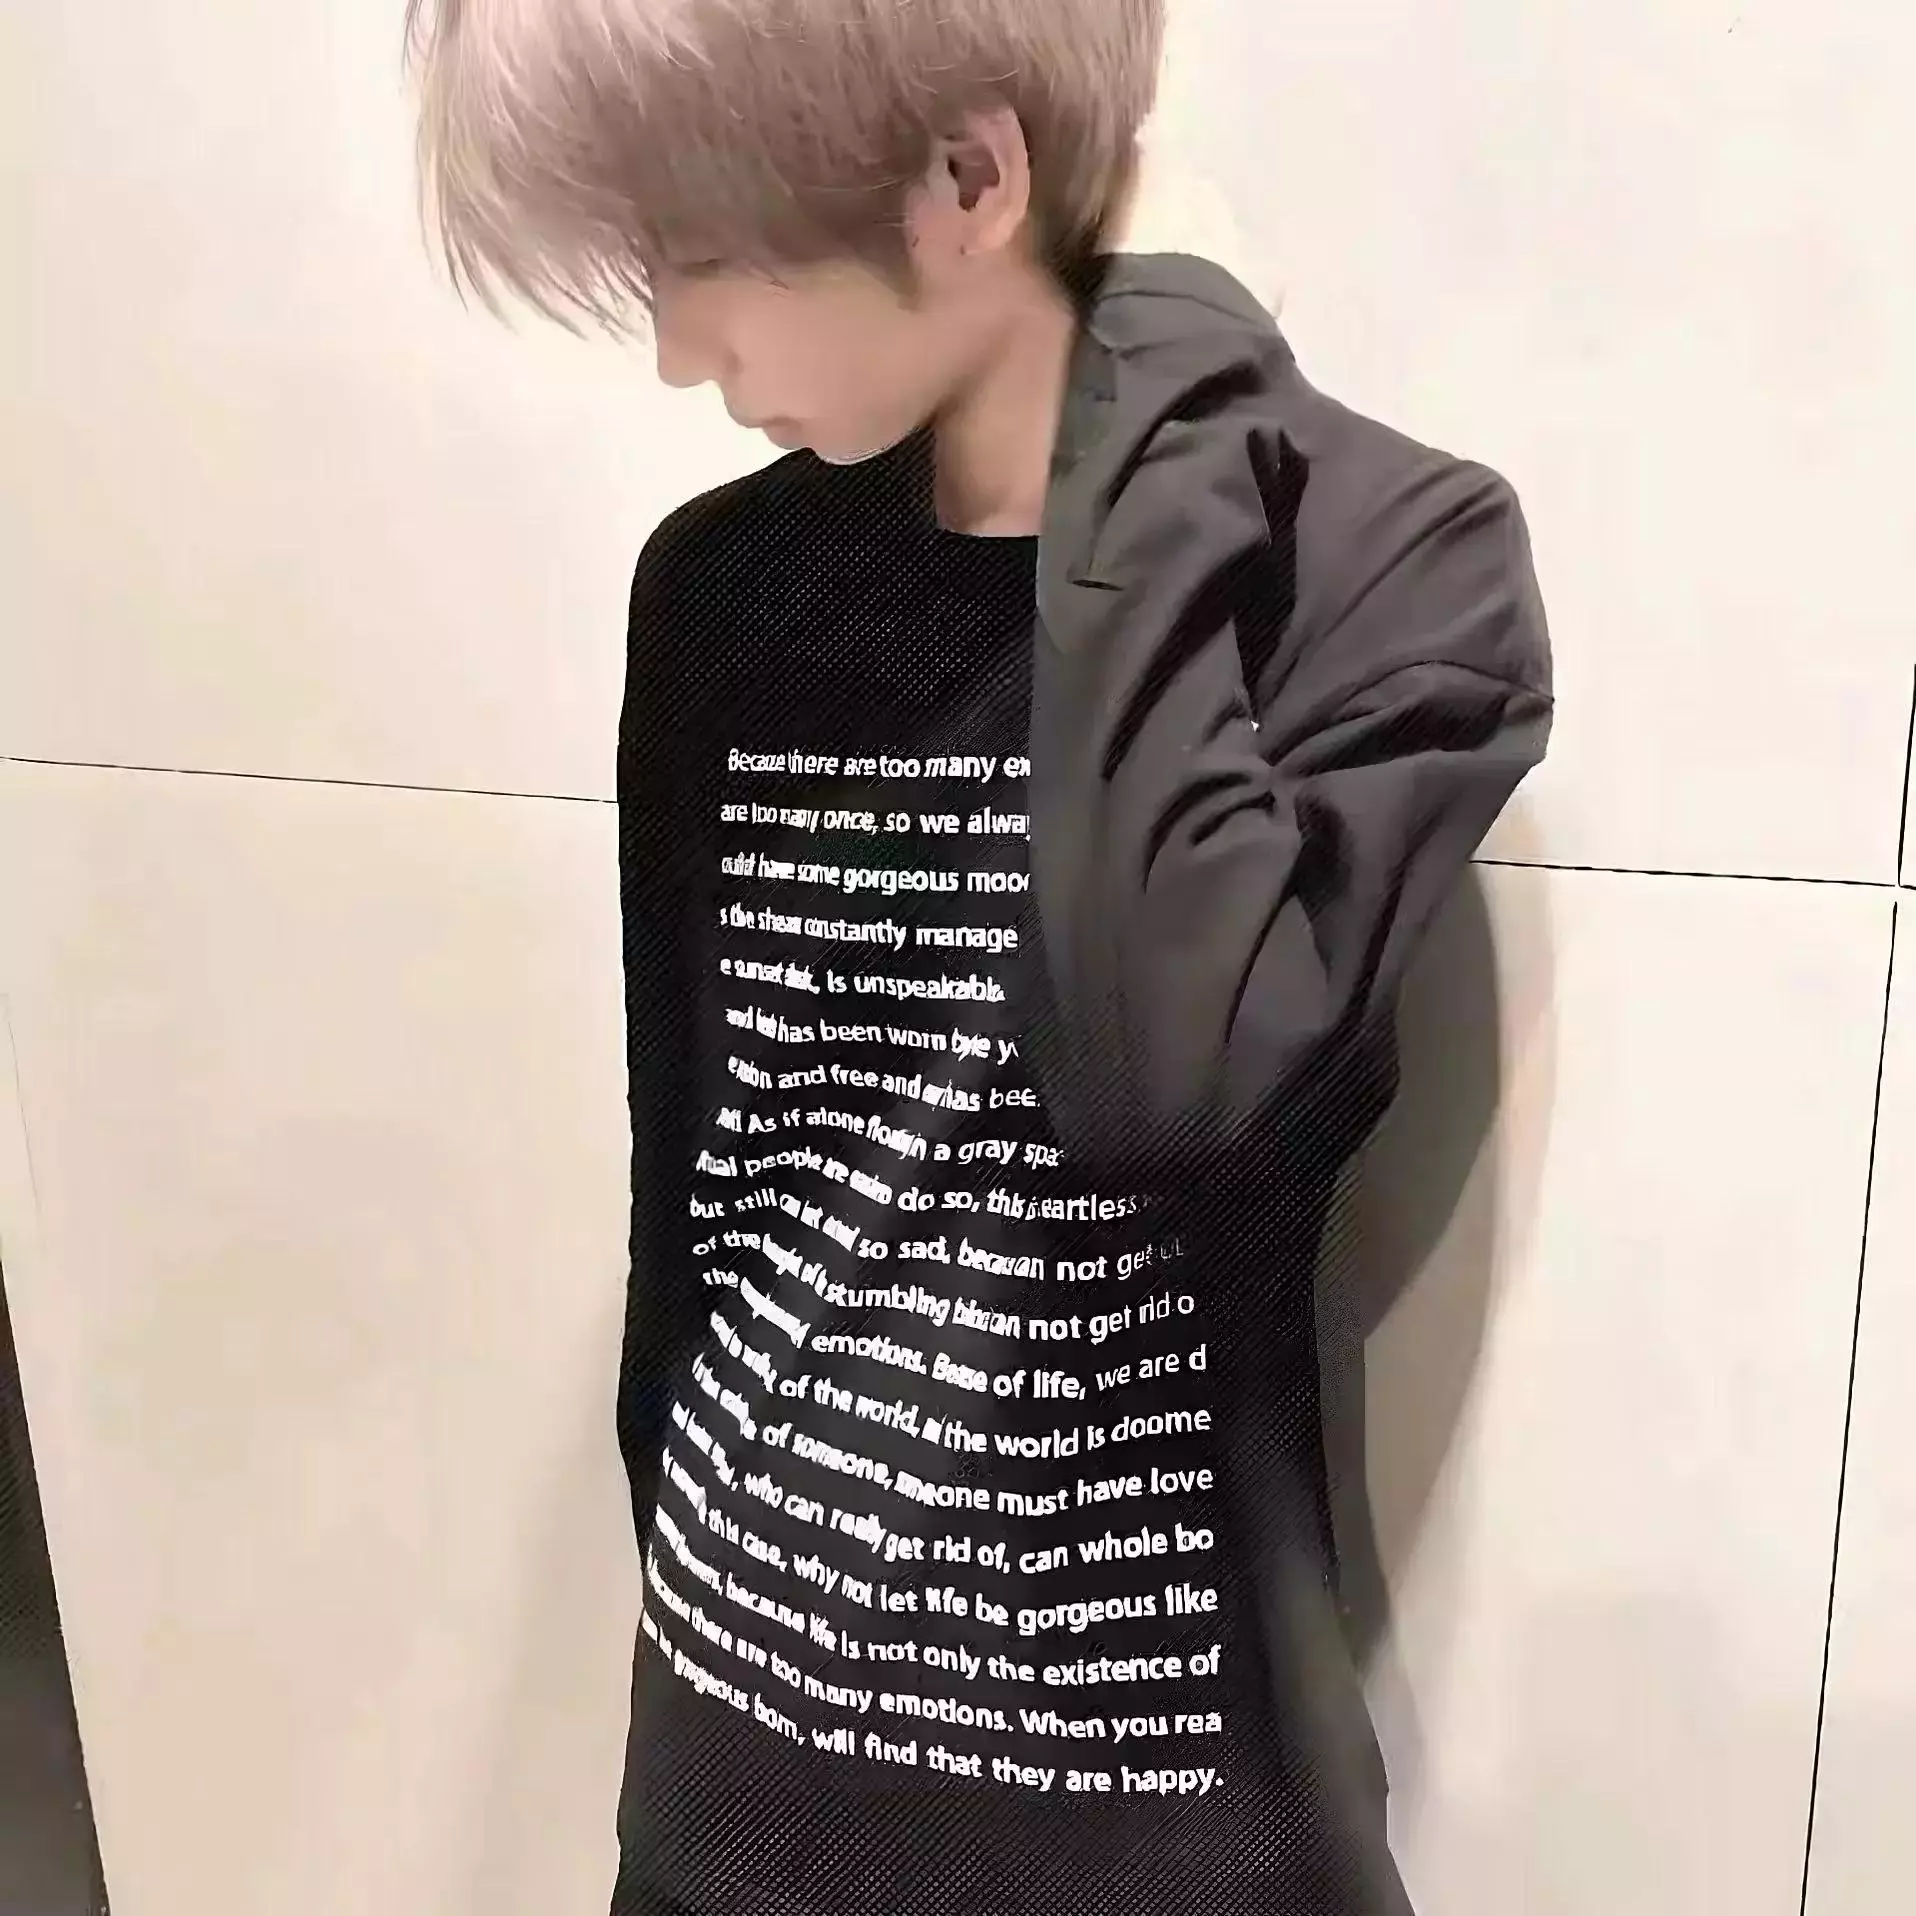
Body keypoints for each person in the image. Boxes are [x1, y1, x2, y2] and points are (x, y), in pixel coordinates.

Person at [405, 3, 1552, 1911]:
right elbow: (707, 1204)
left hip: (1151, 1835)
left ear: (968, 174)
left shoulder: (1381, 570)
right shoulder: (721, 590)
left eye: (695, 258)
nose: (679, 353)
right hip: (730, 1790)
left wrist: (1157, 370)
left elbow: (1170, 1084)